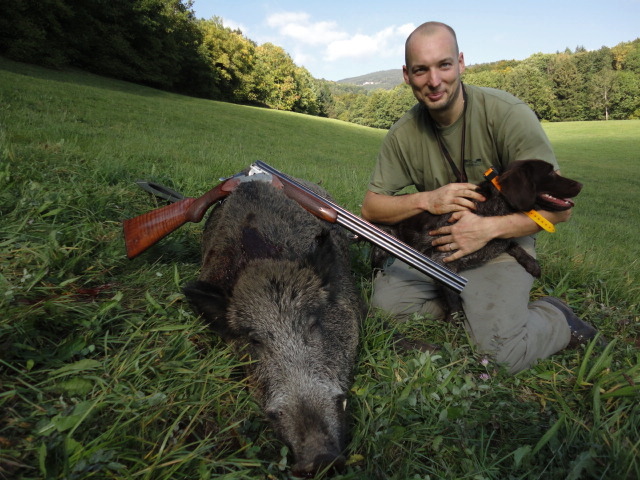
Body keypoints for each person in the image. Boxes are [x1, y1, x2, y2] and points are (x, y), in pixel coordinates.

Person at [361, 21, 601, 373]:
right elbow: (371, 207)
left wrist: (487, 230)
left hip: (501, 246)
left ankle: (557, 318)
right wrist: (427, 200)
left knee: (502, 356)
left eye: (444, 65)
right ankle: (475, 311)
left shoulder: (506, 114)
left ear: (461, 63)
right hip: (435, 252)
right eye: (420, 70)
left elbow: (559, 213)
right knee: (383, 310)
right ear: (406, 76)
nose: (434, 81)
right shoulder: (403, 134)